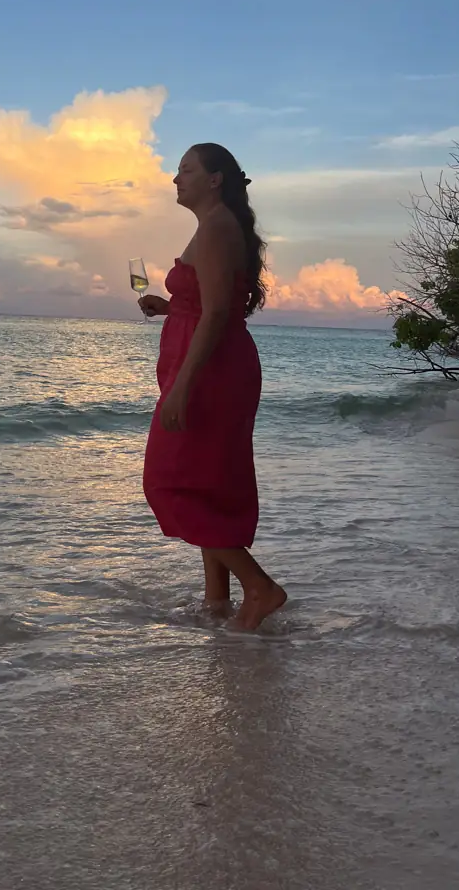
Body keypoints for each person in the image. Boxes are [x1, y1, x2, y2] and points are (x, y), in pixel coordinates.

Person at [138, 143, 286, 631]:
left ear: (215, 179)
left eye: (186, 170)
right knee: (207, 483)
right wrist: (169, 307)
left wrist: (182, 386)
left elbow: (221, 312)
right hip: (212, 365)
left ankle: (260, 589)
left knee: (168, 483)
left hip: (210, 372)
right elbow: (209, 302)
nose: (175, 178)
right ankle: (216, 603)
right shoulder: (214, 226)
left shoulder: (219, 225)